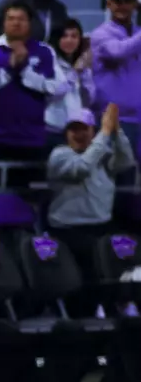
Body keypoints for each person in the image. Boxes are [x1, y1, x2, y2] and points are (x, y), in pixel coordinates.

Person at [0, 2, 60, 185]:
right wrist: (9, 67)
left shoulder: (44, 51)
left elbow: (54, 87)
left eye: (21, 19)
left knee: (26, 196)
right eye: (11, 18)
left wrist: (24, 69)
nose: (16, 23)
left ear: (30, 23)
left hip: (30, 138)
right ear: (4, 22)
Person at [47, 103, 135, 271]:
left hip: (102, 226)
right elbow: (82, 168)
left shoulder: (103, 154)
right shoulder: (59, 155)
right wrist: (105, 132)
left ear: (93, 132)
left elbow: (126, 161)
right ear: (66, 133)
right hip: (68, 229)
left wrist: (116, 131)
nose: (79, 134)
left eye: (84, 129)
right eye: (74, 129)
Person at [91, 0, 141, 142]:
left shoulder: (138, 33)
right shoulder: (100, 34)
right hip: (112, 118)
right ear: (109, 4)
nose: (123, 6)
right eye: (118, 1)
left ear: (135, 5)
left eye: (128, 1)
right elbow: (119, 52)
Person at [45, 17, 94, 144]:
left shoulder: (81, 64)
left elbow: (89, 99)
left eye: (74, 36)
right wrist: (74, 73)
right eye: (65, 36)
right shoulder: (49, 60)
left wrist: (84, 74)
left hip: (75, 129)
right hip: (53, 127)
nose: (69, 40)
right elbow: (52, 94)